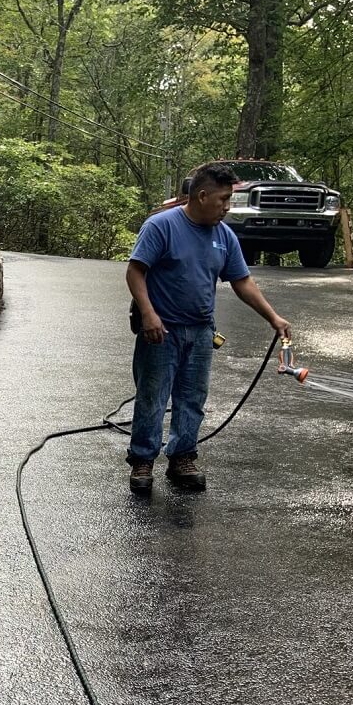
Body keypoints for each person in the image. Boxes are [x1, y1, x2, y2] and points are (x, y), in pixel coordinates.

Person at [125, 161, 292, 495]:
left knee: (192, 398)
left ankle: (182, 458)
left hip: (201, 331)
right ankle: (143, 460)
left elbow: (242, 282)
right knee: (152, 398)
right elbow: (135, 271)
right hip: (162, 331)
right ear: (201, 196)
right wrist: (148, 314)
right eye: (223, 199)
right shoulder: (162, 226)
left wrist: (274, 317)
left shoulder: (224, 236)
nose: (227, 207)